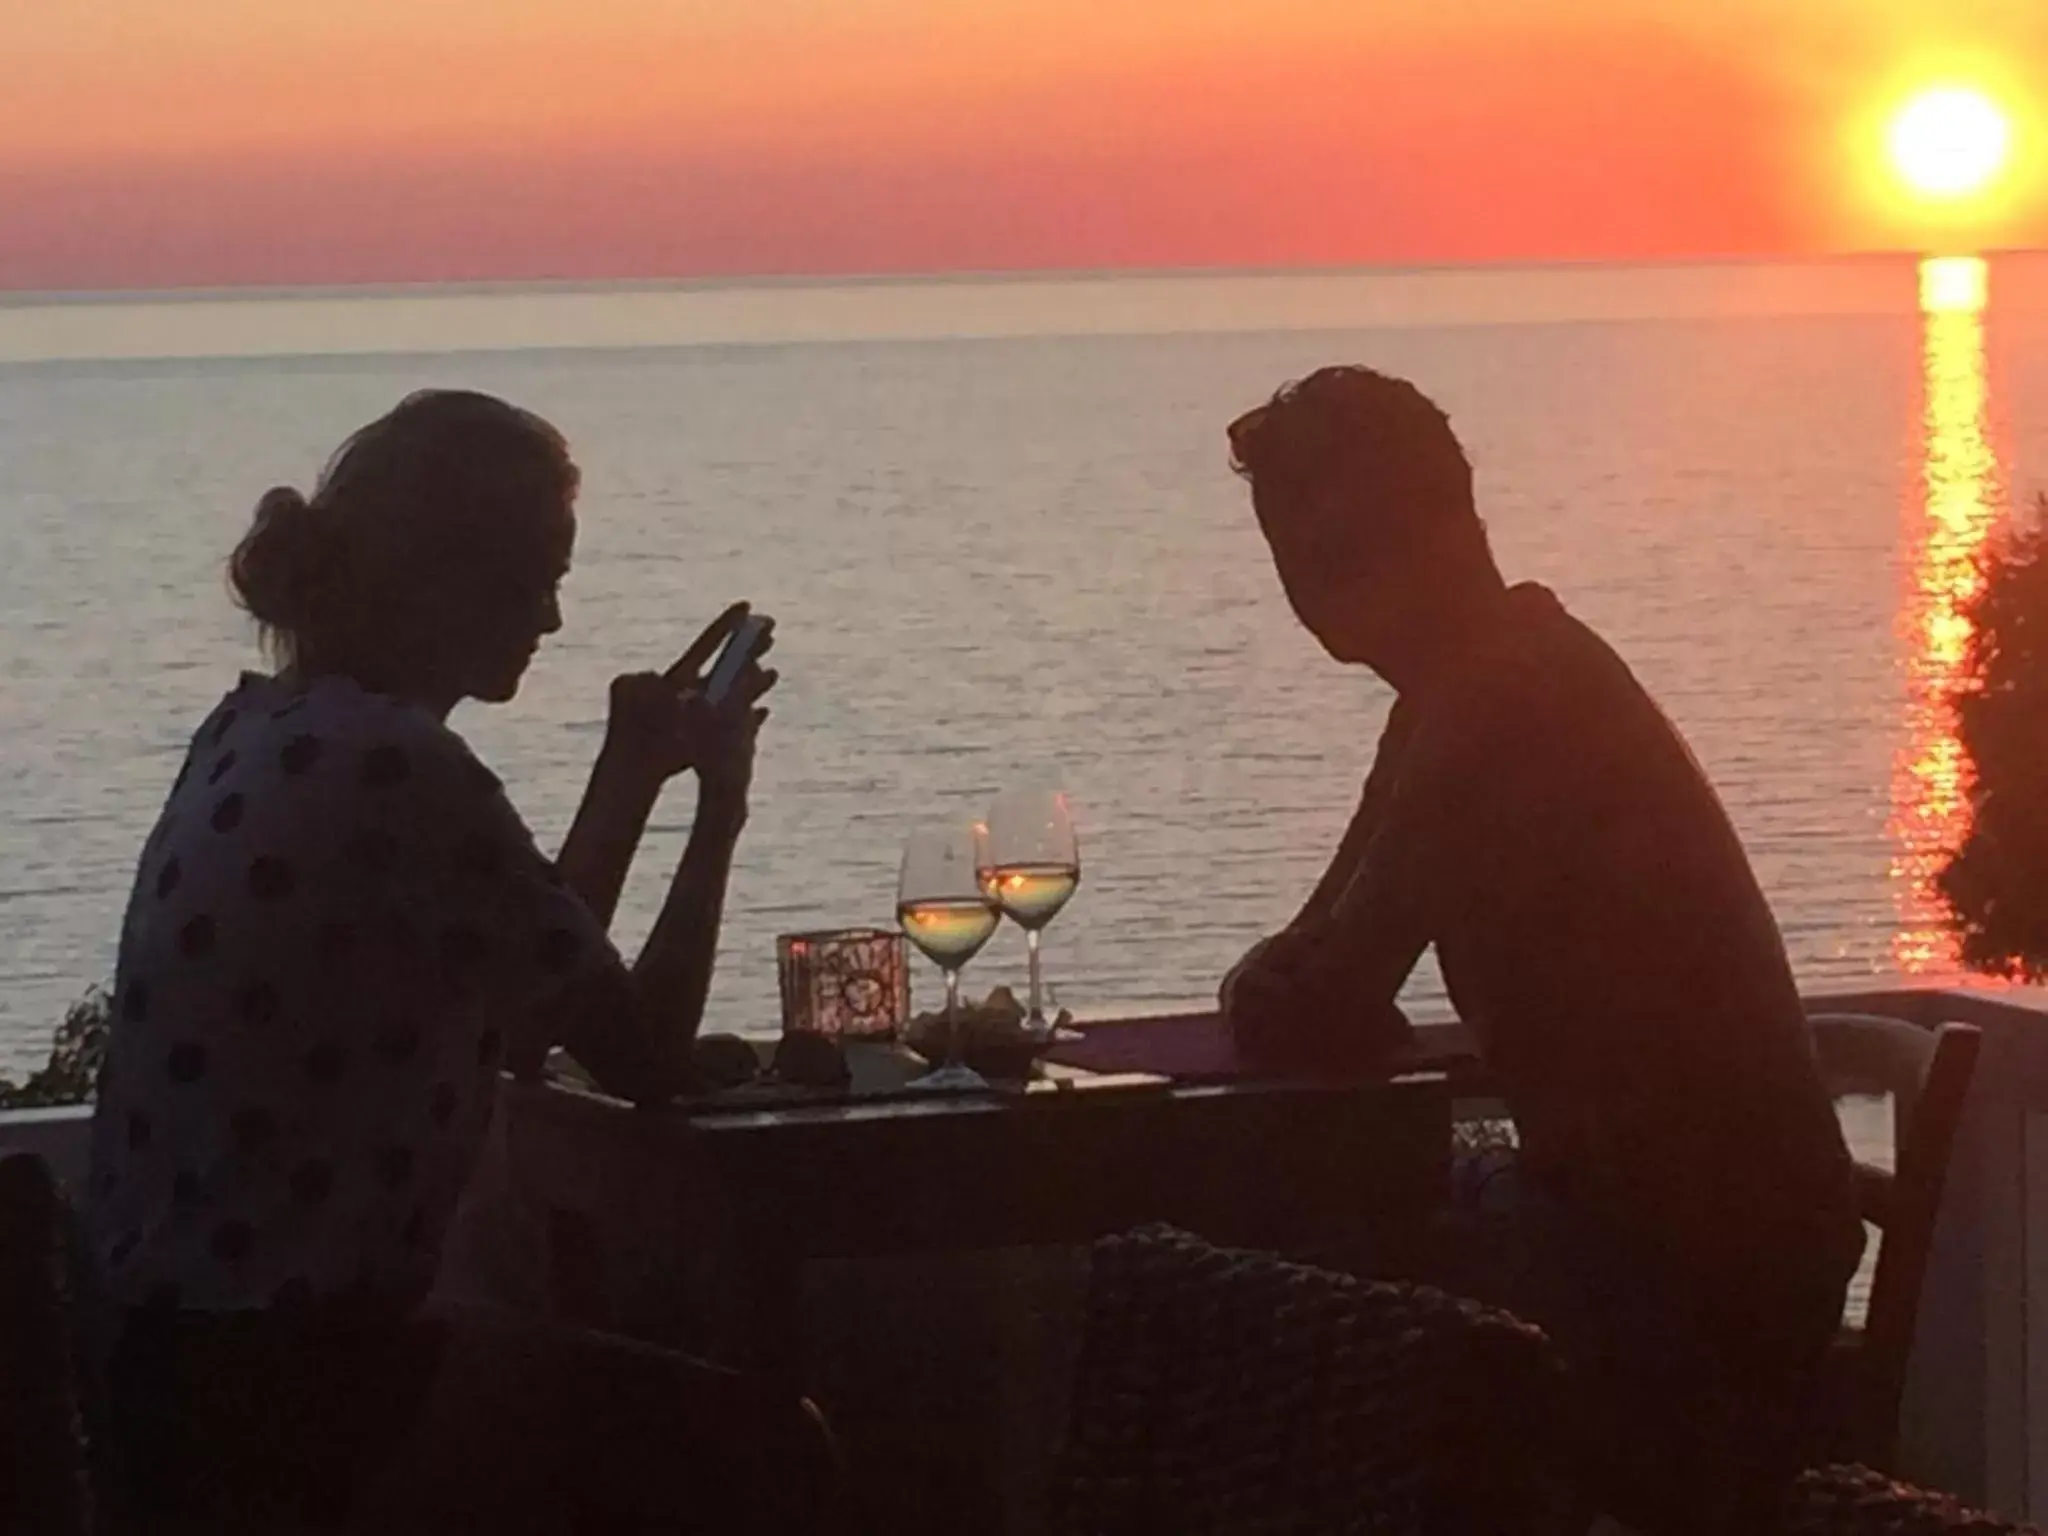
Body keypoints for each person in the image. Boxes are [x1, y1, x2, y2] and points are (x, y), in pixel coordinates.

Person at [84, 390, 824, 1532]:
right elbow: (647, 1052)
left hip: (169, 1370)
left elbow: (527, 1002)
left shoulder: (259, 729)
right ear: (437, 577)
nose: (553, 619)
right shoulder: (396, 768)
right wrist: (717, 806)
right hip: (298, 1389)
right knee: (766, 1446)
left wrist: (627, 777)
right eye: (534, 576)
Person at [1218, 366, 1864, 1532]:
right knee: (1300, 1286)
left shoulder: (1500, 698)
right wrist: (1293, 980)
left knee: (1270, 1320)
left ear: (1452, 516)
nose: (1325, 587)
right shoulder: (1461, 689)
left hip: (1690, 1263)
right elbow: (1320, 955)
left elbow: (1324, 986)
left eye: (1349, 543)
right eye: (1303, 556)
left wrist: (1287, 984)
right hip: (1673, 1227)